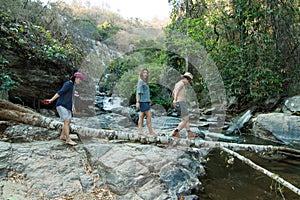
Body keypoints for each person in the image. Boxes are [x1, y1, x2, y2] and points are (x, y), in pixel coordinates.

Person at [45, 72, 86, 146]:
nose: (80, 81)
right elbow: (60, 92)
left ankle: (62, 136)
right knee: (66, 121)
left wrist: (73, 107)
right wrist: (51, 100)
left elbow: (72, 98)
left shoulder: (73, 86)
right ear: (76, 78)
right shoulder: (68, 84)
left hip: (67, 106)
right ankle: (68, 139)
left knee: (68, 121)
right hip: (62, 105)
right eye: (80, 79)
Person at [172, 72, 199, 138]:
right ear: (187, 79)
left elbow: (173, 93)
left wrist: (175, 99)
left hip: (179, 103)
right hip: (181, 103)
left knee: (185, 118)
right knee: (185, 119)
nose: (189, 82)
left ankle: (189, 133)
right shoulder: (181, 83)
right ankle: (176, 131)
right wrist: (175, 100)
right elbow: (176, 92)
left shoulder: (178, 84)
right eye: (189, 81)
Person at [136, 68, 157, 136]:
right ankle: (150, 132)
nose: (145, 74)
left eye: (146, 73)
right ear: (141, 73)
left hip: (146, 101)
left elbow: (145, 93)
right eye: (144, 72)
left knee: (141, 116)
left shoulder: (145, 82)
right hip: (143, 102)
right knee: (148, 116)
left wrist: (149, 100)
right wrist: (137, 102)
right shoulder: (141, 81)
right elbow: (138, 92)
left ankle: (140, 131)